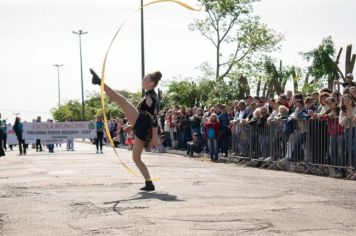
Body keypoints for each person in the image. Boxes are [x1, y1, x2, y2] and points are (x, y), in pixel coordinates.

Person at [90, 68, 161, 191]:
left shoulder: (151, 97)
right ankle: (149, 183)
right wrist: (131, 126)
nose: (143, 80)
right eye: (143, 78)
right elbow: (146, 114)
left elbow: (154, 117)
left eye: (145, 79)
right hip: (141, 127)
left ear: (152, 83)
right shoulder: (148, 96)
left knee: (121, 100)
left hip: (143, 126)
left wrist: (155, 136)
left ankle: (99, 82)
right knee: (136, 157)